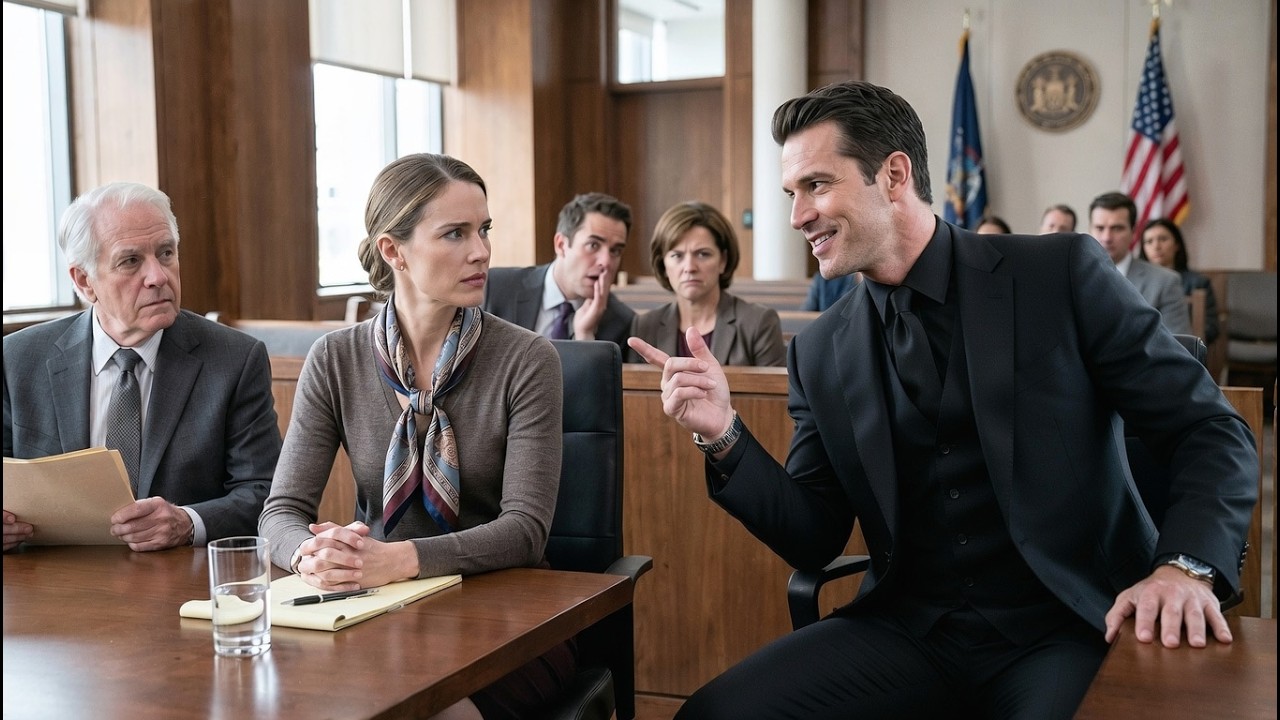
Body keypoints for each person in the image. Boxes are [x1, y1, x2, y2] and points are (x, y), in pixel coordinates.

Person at [627, 81, 1257, 719]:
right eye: (792, 194)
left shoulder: (1058, 274)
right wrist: (724, 434)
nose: (798, 216)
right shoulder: (819, 352)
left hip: (1068, 623)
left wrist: (1183, 568)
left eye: (816, 185)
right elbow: (814, 537)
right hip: (908, 631)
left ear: (894, 175)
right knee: (712, 715)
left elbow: (1209, 430)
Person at [258, 154, 572, 720]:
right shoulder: (335, 359)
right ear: (393, 251)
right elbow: (280, 512)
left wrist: (397, 560)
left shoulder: (528, 359)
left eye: (484, 230)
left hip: (507, 613)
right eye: (455, 233)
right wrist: (314, 556)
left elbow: (525, 531)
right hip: (375, 608)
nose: (481, 251)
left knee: (418, 708)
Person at [3, 182, 280, 552]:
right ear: (84, 281)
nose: (158, 277)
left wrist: (188, 522)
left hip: (178, 576)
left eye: (166, 253)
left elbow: (265, 493)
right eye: (130, 261)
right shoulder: (18, 359)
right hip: (53, 577)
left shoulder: (234, 359)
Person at [627, 201, 785, 367]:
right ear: (663, 265)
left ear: (723, 261)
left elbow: (773, 384)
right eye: (677, 256)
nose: (689, 267)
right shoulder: (644, 326)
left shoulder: (758, 322)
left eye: (703, 254)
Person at [482, 192, 635, 351]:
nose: (606, 262)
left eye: (615, 251)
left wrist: (585, 337)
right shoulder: (497, 287)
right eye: (593, 245)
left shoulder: (621, 321)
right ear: (561, 245)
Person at [1088, 191, 1192, 335]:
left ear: (1134, 232)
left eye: (1117, 228)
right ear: (1090, 231)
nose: (1107, 237)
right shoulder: (1073, 279)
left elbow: (1177, 342)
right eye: (1100, 228)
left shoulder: (1165, 282)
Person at [1140, 217, 1220, 344]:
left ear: (1177, 245)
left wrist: (1189, 340)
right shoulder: (1133, 282)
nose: (1156, 246)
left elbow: (1211, 327)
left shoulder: (1199, 283)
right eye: (1149, 241)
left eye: (1163, 239)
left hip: (1183, 347)